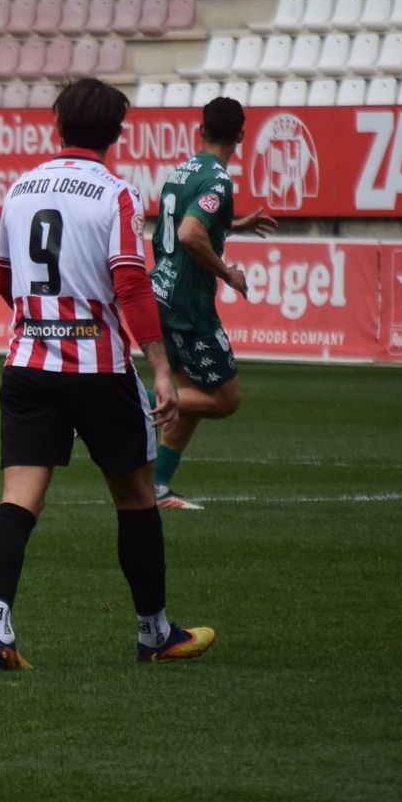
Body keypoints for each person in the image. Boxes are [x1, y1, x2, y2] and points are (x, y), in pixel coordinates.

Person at [0, 78, 213, 671]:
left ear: (56, 123)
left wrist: (42, 319)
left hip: (28, 364)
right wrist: (161, 369)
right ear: (116, 134)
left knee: (18, 500)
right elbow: (130, 285)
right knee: (136, 497)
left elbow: (4, 281)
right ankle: (154, 633)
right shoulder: (116, 193)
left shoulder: (19, 189)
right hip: (97, 368)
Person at [149, 97, 278, 510]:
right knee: (224, 399)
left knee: (194, 394)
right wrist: (229, 273)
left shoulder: (181, 171)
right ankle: (132, 400)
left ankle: (157, 487)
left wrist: (235, 224)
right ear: (241, 135)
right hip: (190, 306)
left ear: (200, 129)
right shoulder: (219, 180)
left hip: (164, 292)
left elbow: (185, 222)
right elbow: (189, 233)